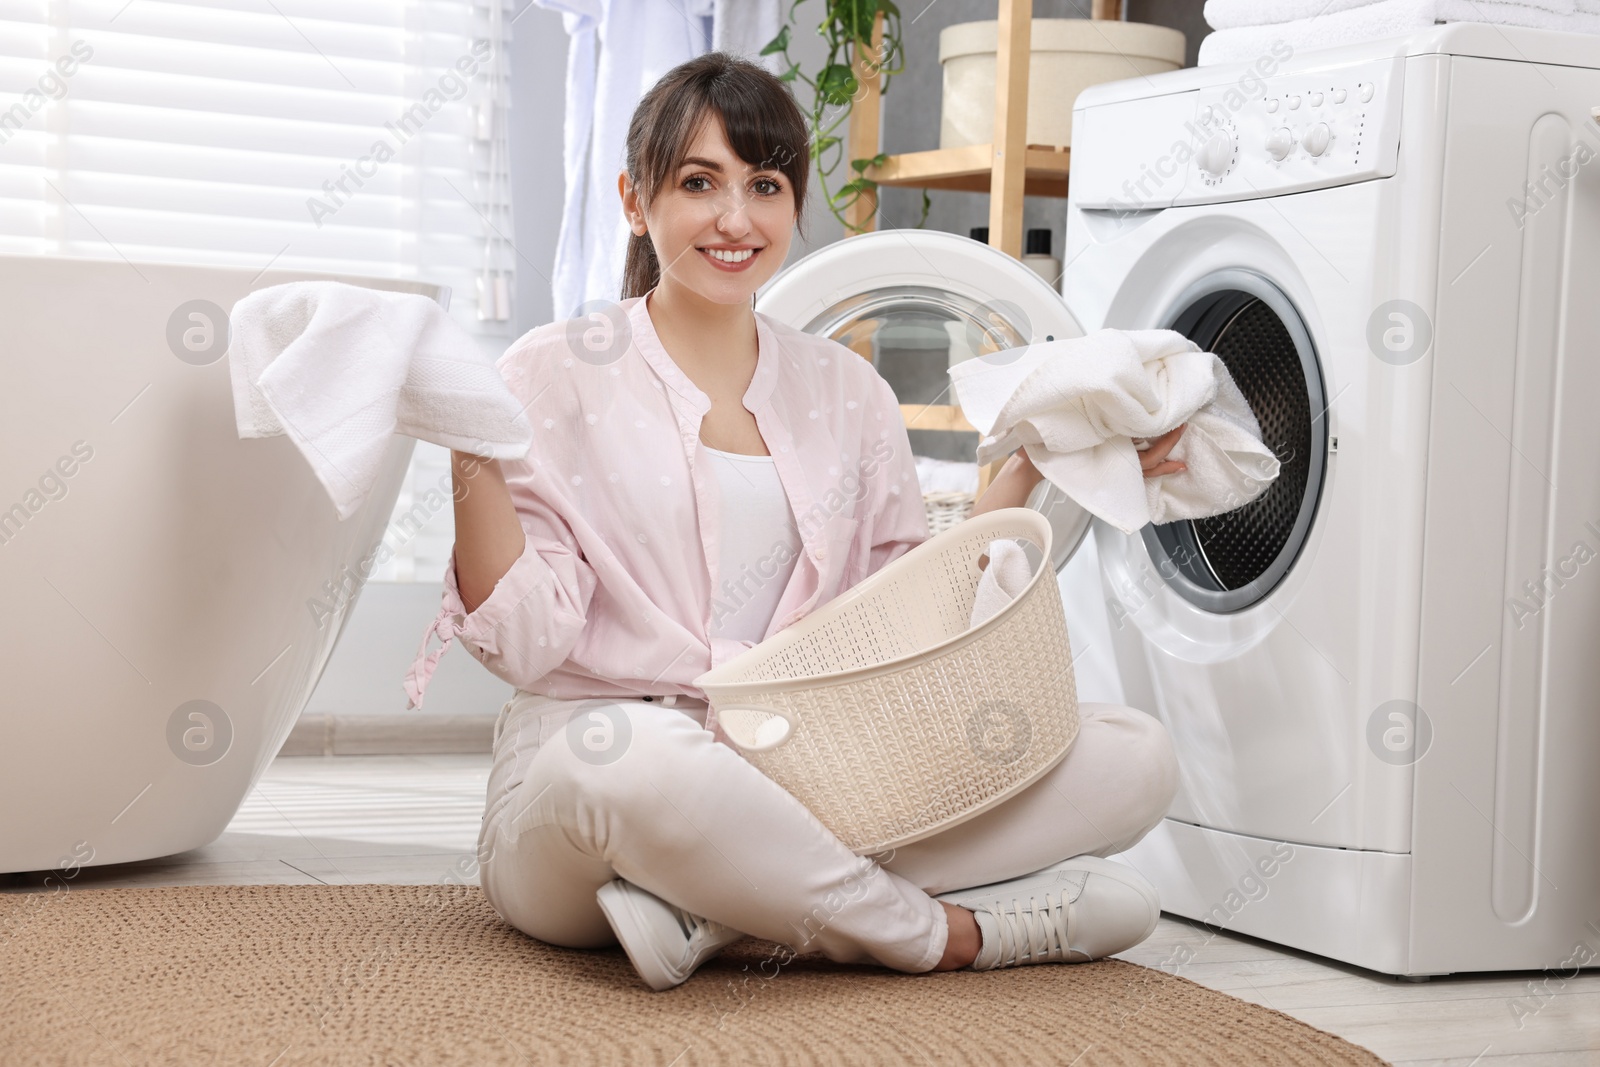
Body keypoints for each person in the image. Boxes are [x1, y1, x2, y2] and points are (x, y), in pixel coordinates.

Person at [405, 51, 1184, 992]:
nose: (736, 219)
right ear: (632, 197)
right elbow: (527, 646)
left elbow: (904, 617)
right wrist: (469, 443)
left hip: (815, 777)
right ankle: (941, 934)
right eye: (700, 183)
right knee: (624, 757)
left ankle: (717, 909)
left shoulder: (847, 392)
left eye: (764, 185)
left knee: (1133, 755)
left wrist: (1031, 462)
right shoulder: (553, 370)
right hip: (593, 795)